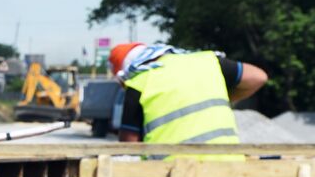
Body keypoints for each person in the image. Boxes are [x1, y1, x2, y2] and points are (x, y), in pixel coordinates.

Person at [109, 42, 267, 146]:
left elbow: (129, 149)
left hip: (169, 172)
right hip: (228, 164)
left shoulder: (139, 82)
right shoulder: (208, 62)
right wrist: (218, 96)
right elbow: (258, 77)